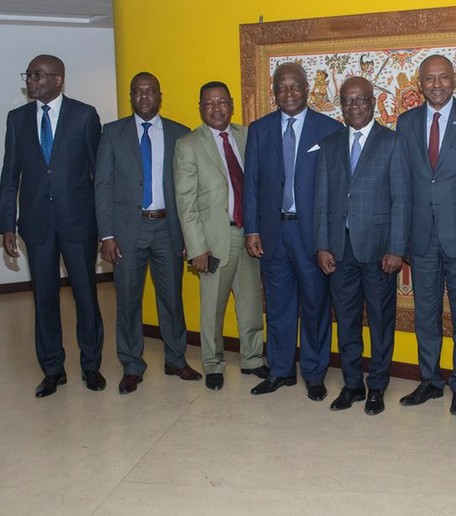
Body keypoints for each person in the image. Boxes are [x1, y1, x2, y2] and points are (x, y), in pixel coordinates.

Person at [0, 55, 105, 397]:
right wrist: (7, 225)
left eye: (38, 75)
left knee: (86, 296)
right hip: (37, 225)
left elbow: (98, 175)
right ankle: (52, 369)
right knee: (44, 299)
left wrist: (106, 229)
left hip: (79, 223)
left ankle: (91, 366)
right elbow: (9, 176)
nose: (31, 80)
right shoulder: (17, 120)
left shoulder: (84, 115)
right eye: (29, 75)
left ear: (58, 80)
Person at [395, 54, 456, 415]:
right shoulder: (406, 123)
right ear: (420, 84)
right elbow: (402, 183)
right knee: (426, 312)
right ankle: (430, 381)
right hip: (421, 235)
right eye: (430, 79)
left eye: (443, 78)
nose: (437, 85)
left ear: (455, 81)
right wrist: (400, 237)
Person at [95, 72, 201, 394]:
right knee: (127, 301)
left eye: (150, 91)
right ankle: (131, 364)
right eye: (138, 91)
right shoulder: (112, 134)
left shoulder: (180, 134)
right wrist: (107, 235)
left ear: (160, 95)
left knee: (172, 300)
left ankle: (176, 359)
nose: (144, 96)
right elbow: (102, 186)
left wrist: (187, 235)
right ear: (131, 96)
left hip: (168, 229)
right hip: (128, 231)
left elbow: (187, 190)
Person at [244, 63, 342, 401]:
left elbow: (335, 190)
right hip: (272, 232)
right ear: (274, 91)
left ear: (307, 89)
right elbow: (252, 183)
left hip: (311, 234)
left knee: (315, 304)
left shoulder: (329, 128)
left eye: (294, 86)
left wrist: (328, 239)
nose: (288, 93)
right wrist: (251, 229)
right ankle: (281, 370)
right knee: (279, 307)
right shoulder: (259, 129)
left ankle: (314, 373)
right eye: (281, 87)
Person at [314, 77, 410, 415]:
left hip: (380, 249)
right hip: (340, 250)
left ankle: (377, 386)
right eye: (348, 101)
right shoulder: (330, 144)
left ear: (373, 102)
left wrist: (396, 248)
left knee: (382, 320)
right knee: (348, 319)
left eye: (361, 100)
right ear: (341, 105)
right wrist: (323, 245)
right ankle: (353, 384)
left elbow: (401, 199)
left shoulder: (392, 142)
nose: (355, 107)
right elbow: (322, 200)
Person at [174, 81, 266, 391]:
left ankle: (253, 358)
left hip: (247, 235)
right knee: (212, 307)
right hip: (213, 241)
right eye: (209, 103)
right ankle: (213, 363)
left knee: (251, 303)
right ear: (200, 108)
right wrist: (197, 247)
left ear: (232, 104)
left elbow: (256, 186)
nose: (216, 108)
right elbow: (185, 203)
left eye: (222, 102)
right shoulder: (188, 145)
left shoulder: (246, 136)